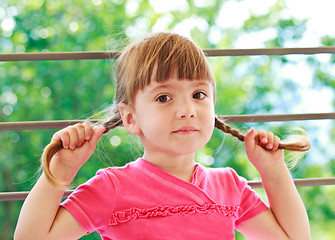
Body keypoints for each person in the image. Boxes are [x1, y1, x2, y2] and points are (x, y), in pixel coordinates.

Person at [14, 32, 311, 239]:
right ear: (131, 118)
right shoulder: (112, 188)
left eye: (198, 94)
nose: (186, 110)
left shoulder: (229, 187)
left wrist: (274, 171)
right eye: (164, 98)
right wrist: (60, 173)